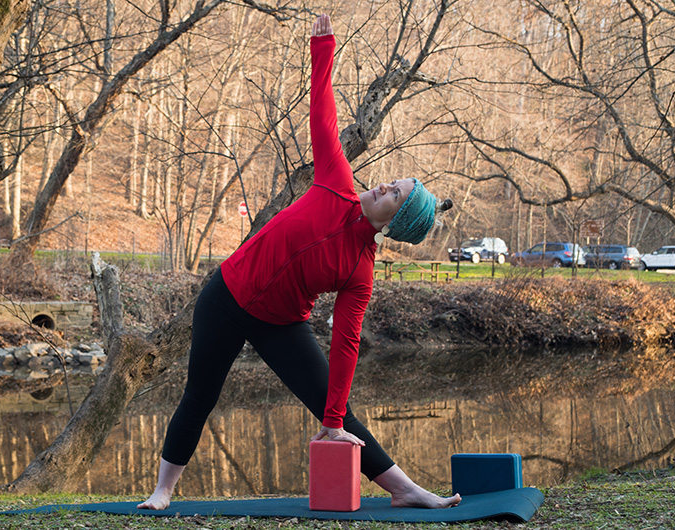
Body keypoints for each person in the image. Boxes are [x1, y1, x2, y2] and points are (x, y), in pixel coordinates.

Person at [138, 13, 459, 511]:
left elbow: (347, 341)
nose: (382, 185)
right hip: (224, 296)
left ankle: (405, 490)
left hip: (281, 324)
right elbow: (323, 114)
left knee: (340, 415)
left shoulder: (361, 270)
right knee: (199, 394)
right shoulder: (336, 180)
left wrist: (331, 416)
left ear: (393, 220)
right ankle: (162, 491)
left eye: (394, 194)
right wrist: (323, 47)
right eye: (392, 181)